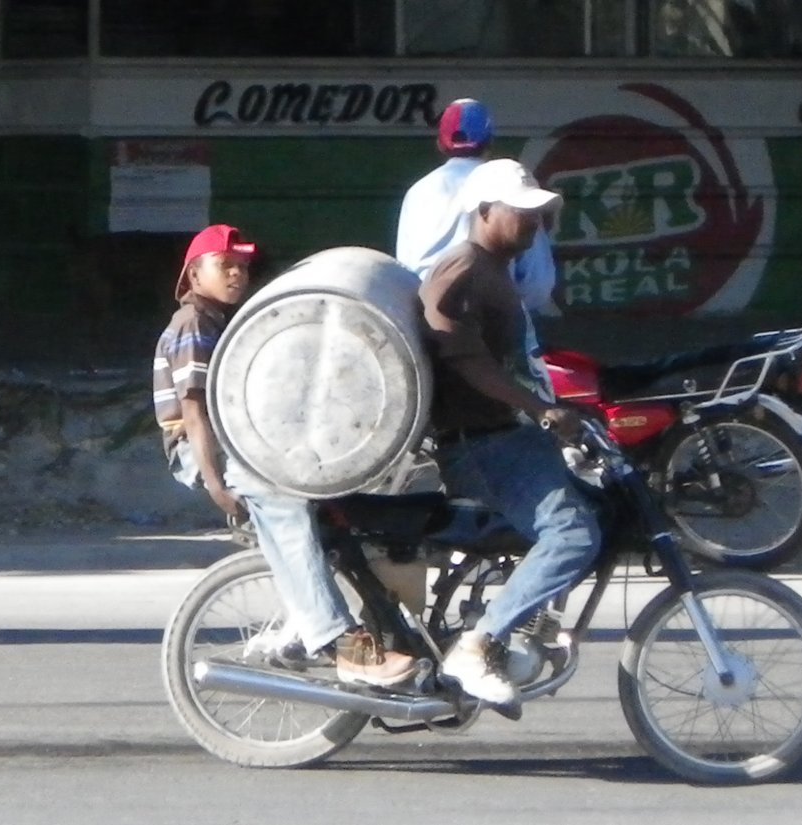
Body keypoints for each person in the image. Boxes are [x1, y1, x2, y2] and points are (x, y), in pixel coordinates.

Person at [153, 224, 416, 687]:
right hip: (203, 450)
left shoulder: (230, 322)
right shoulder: (193, 324)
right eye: (225, 266)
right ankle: (335, 638)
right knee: (281, 495)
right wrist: (215, 483)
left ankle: (332, 623)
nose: (237, 275)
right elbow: (195, 412)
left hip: (238, 443)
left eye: (242, 267)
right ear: (194, 276)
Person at [419, 159, 601, 707]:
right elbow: (462, 360)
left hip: (507, 434)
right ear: (483, 213)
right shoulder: (463, 269)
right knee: (573, 535)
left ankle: (531, 626)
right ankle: (480, 644)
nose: (533, 223)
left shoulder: (495, 270)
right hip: (480, 445)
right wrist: (540, 410)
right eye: (521, 213)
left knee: (602, 505)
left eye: (537, 213)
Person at [396, 97, 557, 402]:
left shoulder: (417, 193)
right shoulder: (506, 189)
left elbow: (403, 271)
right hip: (494, 346)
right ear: (489, 141)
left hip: (424, 344)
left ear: (440, 144)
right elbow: (538, 285)